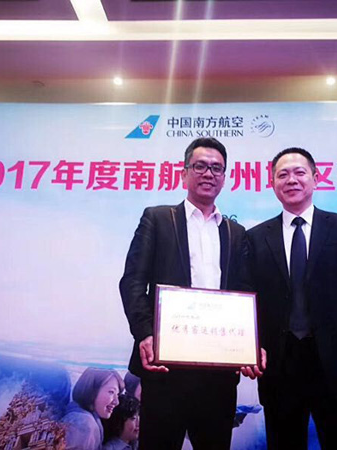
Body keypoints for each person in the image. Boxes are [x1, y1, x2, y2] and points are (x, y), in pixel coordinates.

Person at [241, 148, 337, 449]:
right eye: (283, 174)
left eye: (299, 172)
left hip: (336, 365)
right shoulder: (256, 237)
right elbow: (248, 299)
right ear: (272, 183)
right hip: (280, 366)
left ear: (316, 178)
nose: (291, 180)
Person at [119, 137, 246, 450]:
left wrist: (250, 345)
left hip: (219, 370)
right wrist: (145, 333)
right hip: (165, 367)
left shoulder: (236, 233)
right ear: (184, 173)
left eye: (216, 168)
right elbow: (133, 281)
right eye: (200, 166)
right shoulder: (158, 219)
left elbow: (245, 293)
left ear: (225, 177)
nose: (208, 173)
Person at [61, 368, 124, 450]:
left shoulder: (85, 418)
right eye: (111, 392)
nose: (116, 402)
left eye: (117, 394)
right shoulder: (83, 424)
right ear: (92, 390)